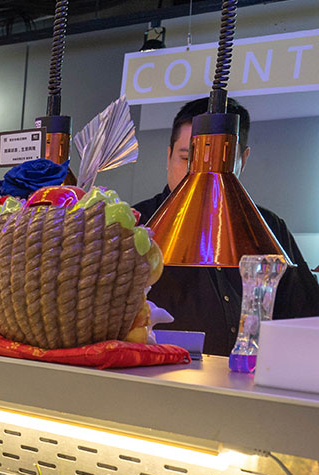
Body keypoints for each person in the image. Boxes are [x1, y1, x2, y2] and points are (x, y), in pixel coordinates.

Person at [134, 96, 319, 356]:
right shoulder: (138, 224)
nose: (197, 174)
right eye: (187, 159)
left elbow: (306, 316)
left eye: (218, 163)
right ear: (168, 156)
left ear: (243, 158)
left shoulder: (268, 229)